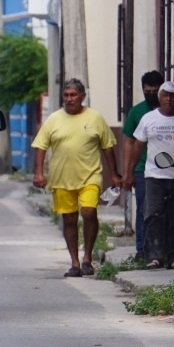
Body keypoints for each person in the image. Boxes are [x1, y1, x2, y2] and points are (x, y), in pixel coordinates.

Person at [32, 78, 120, 277]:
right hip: (61, 178)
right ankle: (75, 262)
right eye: (66, 95)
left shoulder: (95, 117)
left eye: (73, 95)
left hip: (90, 175)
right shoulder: (54, 119)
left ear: (82, 97)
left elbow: (107, 146)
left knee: (89, 212)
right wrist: (38, 172)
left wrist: (114, 174)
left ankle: (88, 257)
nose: (69, 99)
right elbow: (41, 146)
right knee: (69, 219)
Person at [122, 81, 174, 269]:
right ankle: (153, 256)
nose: (169, 99)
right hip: (154, 176)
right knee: (152, 215)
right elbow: (137, 146)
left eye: (173, 96)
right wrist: (129, 172)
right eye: (165, 95)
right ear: (160, 97)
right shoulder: (148, 119)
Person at [122, 71, 164, 261]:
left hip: (168, 170)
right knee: (143, 210)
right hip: (142, 169)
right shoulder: (137, 112)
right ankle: (142, 248)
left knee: (166, 212)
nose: (151, 95)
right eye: (147, 91)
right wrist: (127, 172)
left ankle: (163, 249)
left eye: (155, 91)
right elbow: (129, 143)